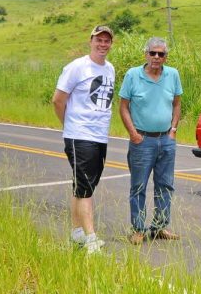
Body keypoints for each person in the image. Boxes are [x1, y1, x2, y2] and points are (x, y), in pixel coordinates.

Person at [52, 24, 116, 254]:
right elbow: (58, 100)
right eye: (99, 40)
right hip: (80, 135)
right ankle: (91, 239)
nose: (102, 44)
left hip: (100, 136)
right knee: (86, 187)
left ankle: (77, 233)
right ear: (90, 41)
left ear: (111, 44)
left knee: (82, 186)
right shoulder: (77, 67)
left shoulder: (110, 69)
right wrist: (70, 125)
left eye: (107, 40)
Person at [118, 37, 182, 245]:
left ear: (165, 57)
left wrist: (173, 130)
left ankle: (159, 227)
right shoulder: (133, 75)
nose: (156, 57)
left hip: (166, 139)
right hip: (142, 140)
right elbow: (123, 107)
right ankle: (138, 229)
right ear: (145, 54)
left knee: (165, 185)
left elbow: (177, 104)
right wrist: (133, 134)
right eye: (152, 53)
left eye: (160, 54)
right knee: (139, 186)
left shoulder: (173, 75)